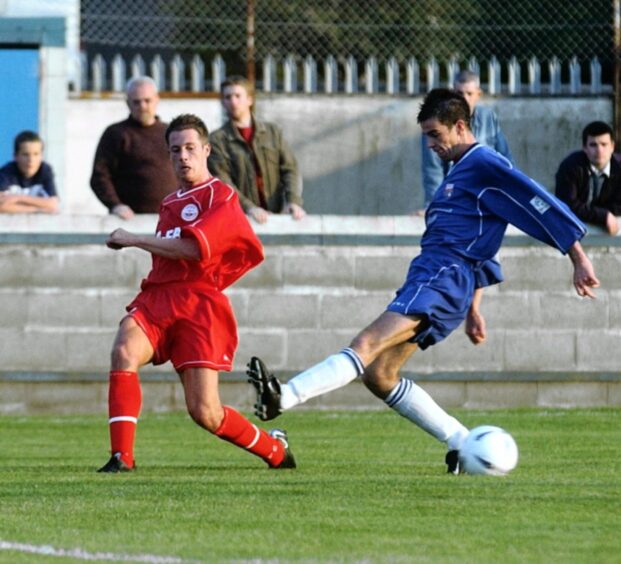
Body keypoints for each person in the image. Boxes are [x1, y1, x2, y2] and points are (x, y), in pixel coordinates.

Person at [247, 88, 599, 474]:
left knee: (365, 343)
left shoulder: (484, 162)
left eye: (435, 134)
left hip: (442, 276)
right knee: (379, 375)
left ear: (460, 126)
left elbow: (536, 201)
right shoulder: (460, 170)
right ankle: (464, 444)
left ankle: (283, 397)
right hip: (441, 280)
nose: (430, 144)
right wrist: (473, 307)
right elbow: (481, 241)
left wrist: (577, 257)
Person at [97, 113, 295, 473]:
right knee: (124, 347)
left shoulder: (221, 196)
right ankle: (121, 457)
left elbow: (192, 249)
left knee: (205, 412)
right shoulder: (171, 201)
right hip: (158, 298)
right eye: (175, 150)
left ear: (206, 150)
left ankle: (275, 450)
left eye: (190, 148)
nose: (183, 156)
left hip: (199, 306)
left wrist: (133, 238)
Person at [208, 75, 305, 224]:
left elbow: (290, 169)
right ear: (223, 102)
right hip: (240, 219)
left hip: (276, 215)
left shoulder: (272, 132)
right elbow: (222, 182)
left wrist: (293, 201)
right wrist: (249, 208)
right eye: (228, 97)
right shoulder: (216, 140)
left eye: (238, 96)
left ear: (250, 99)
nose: (233, 101)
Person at [419, 70, 513, 212]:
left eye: (469, 94)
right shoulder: (437, 121)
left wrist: (511, 199)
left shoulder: (488, 117)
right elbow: (432, 170)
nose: (464, 99)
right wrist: (434, 205)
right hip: (454, 198)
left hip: (487, 197)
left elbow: (505, 160)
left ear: (478, 94)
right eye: (459, 94)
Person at [90, 76, 177, 219]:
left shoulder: (172, 133)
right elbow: (100, 176)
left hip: (172, 220)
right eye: (136, 102)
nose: (142, 106)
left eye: (147, 100)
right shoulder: (116, 134)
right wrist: (115, 205)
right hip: (129, 222)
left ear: (157, 100)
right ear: (128, 103)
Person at [555, 121, 621, 236]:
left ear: (612, 147)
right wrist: (602, 215)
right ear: (584, 148)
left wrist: (606, 215)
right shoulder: (570, 166)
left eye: (604, 144)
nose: (599, 150)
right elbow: (566, 204)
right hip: (577, 225)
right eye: (593, 145)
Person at [0, 130, 59, 214]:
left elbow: (53, 204)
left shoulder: (45, 170)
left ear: (41, 156)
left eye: (36, 154)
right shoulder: (7, 173)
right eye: (25, 154)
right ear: (15, 156)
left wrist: (18, 198)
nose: (31, 160)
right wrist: (38, 210)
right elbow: (1, 206)